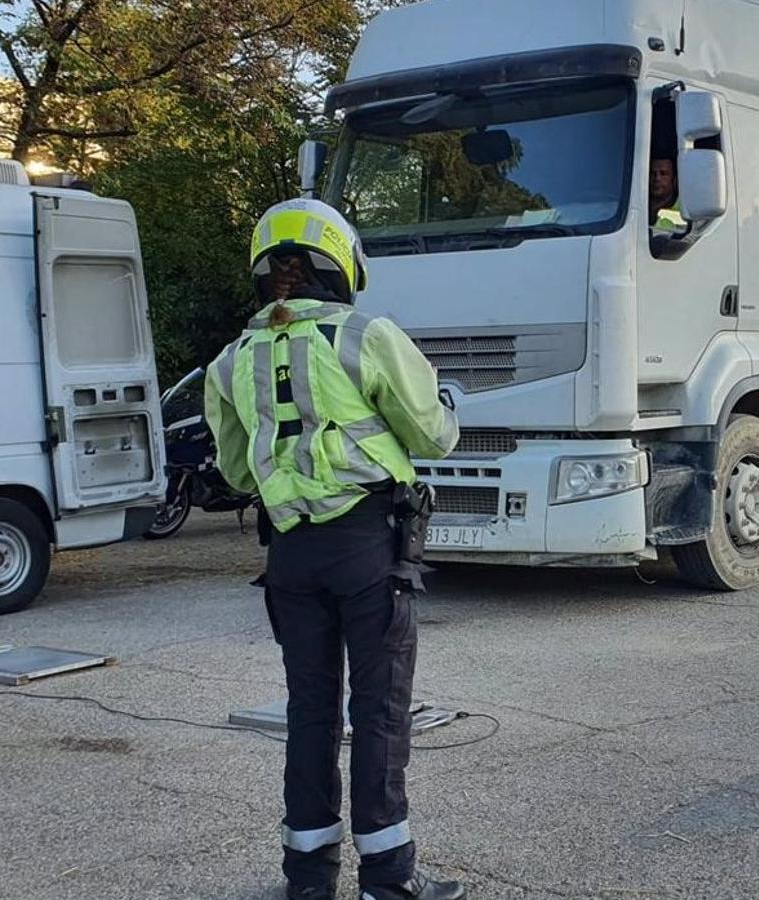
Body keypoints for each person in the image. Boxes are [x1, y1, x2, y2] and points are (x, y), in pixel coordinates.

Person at [205, 198, 465, 900]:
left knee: (310, 712)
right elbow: (431, 435)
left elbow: (235, 471)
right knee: (378, 711)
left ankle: (307, 880)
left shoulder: (229, 362)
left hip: (289, 557)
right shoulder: (364, 335)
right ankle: (387, 880)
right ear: (339, 263)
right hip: (367, 549)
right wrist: (448, 406)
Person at [649, 157, 685, 232]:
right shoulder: (635, 202)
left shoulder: (684, 208)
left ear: (674, 179)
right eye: (652, 173)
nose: (657, 178)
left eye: (663, 173)